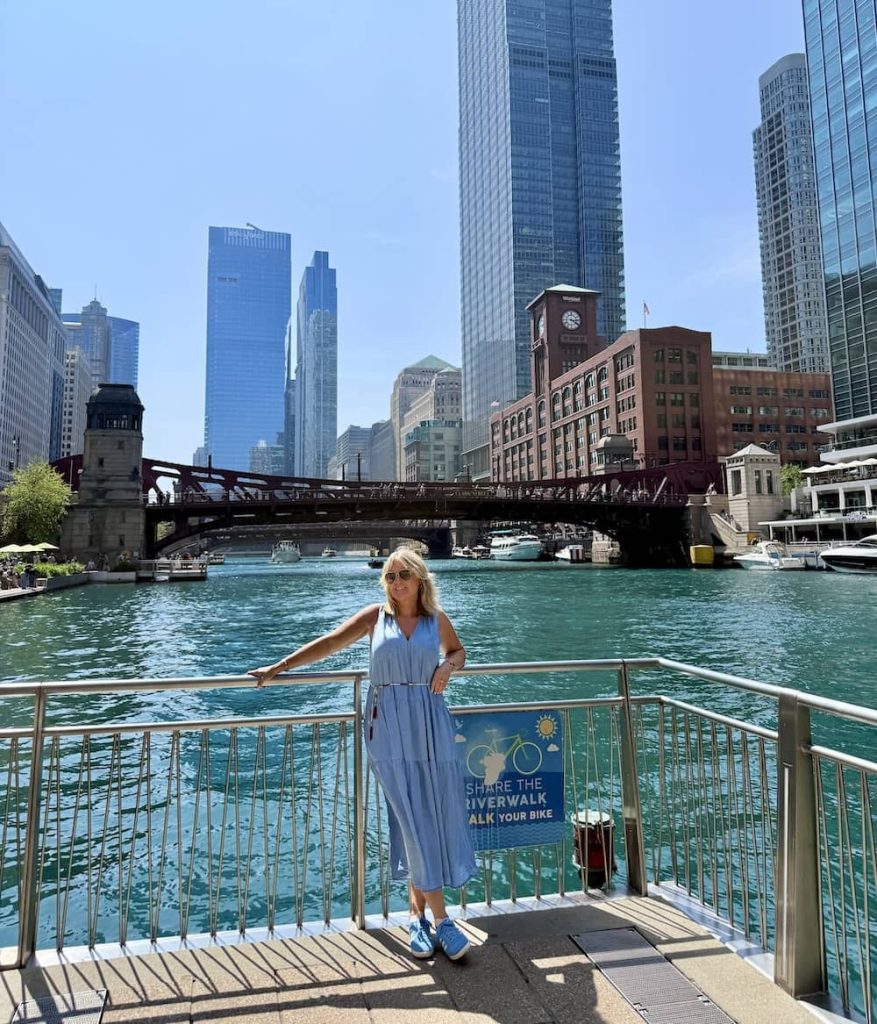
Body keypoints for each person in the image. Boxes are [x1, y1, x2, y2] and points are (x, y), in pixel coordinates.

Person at [249, 546, 476, 961]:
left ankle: (416, 918)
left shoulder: (435, 620)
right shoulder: (375, 618)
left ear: (420, 579)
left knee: (425, 817)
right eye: (390, 576)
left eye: (403, 574)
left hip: (430, 724)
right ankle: (444, 920)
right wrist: (279, 667)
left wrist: (448, 666)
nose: (397, 582)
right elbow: (330, 643)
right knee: (410, 816)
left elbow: (458, 651)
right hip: (386, 727)